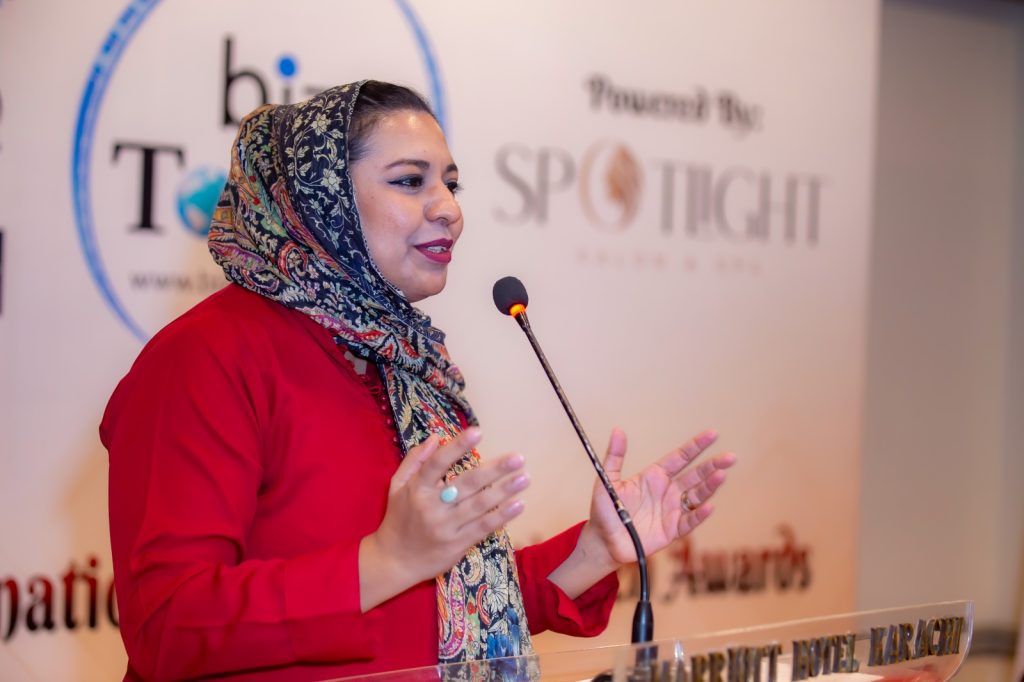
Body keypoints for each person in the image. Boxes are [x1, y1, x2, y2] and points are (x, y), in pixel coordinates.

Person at [101, 80, 736, 681]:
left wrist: (597, 548)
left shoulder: (406, 365)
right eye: (410, 181)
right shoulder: (205, 357)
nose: (450, 210)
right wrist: (385, 560)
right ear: (318, 199)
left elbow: (454, 610)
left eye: (452, 185)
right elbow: (167, 624)